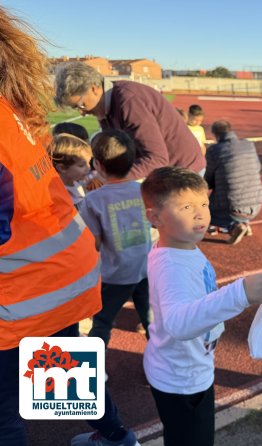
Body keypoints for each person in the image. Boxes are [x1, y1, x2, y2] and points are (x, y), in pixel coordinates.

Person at [0, 6, 138, 446]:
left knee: (4, 414)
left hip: (24, 286)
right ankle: (117, 437)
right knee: (62, 379)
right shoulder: (10, 106)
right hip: (61, 269)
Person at [140, 166, 262, 446]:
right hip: (182, 380)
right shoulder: (172, 265)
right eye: (187, 206)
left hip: (190, 367)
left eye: (204, 203)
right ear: (154, 217)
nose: (201, 213)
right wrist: (239, 293)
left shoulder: (183, 246)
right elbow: (179, 323)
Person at [53, 62, 206, 180]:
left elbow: (156, 159)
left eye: (81, 105)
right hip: (168, 170)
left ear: (94, 88)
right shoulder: (105, 108)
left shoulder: (129, 101)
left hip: (183, 172)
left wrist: (111, 180)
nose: (82, 112)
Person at [79, 130, 152, 347]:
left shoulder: (93, 200)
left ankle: (92, 374)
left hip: (115, 274)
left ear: (98, 164)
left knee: (102, 322)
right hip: (144, 267)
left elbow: (95, 242)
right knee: (152, 323)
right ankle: (167, 369)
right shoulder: (143, 190)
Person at [205, 120, 262, 245]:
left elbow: (208, 180)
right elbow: (258, 168)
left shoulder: (214, 150)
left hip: (233, 208)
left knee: (206, 210)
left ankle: (234, 226)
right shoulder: (248, 144)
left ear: (215, 134)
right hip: (257, 202)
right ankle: (244, 224)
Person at [47, 133, 93, 209]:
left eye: (89, 162)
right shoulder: (59, 196)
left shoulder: (76, 183)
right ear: (62, 168)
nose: (88, 168)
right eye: (81, 165)